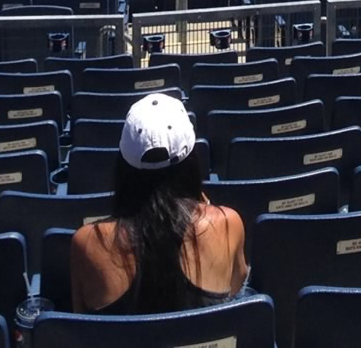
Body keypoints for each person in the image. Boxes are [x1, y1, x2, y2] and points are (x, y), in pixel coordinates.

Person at [69, 92, 246, 314]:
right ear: (191, 160)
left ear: (123, 165)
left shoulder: (87, 243)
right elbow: (236, 296)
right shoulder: (227, 224)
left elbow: (80, 323)